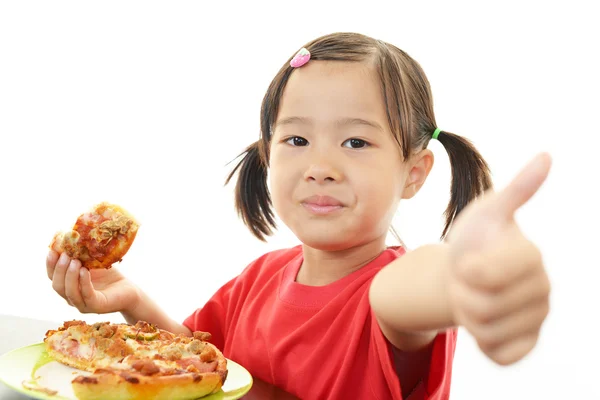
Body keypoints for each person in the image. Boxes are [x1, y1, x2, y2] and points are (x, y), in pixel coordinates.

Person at [46, 32, 552, 400]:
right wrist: (131, 299)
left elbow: (414, 290)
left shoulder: (390, 293)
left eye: (355, 141)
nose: (320, 167)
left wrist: (463, 277)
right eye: (297, 140)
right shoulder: (259, 279)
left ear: (414, 173)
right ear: (268, 155)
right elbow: (202, 365)